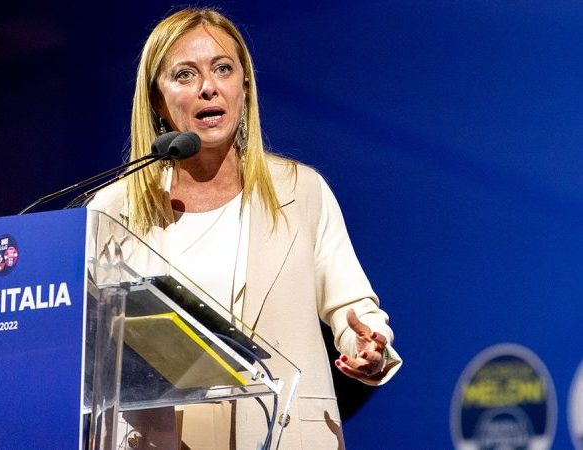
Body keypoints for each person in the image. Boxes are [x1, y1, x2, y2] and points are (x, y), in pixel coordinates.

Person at [87, 7, 402, 449]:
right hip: (156, 435)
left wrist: (368, 346)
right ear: (157, 100)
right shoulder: (113, 209)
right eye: (184, 75)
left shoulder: (300, 191)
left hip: (281, 430)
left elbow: (352, 308)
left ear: (245, 85)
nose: (208, 86)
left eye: (223, 69)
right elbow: (88, 338)